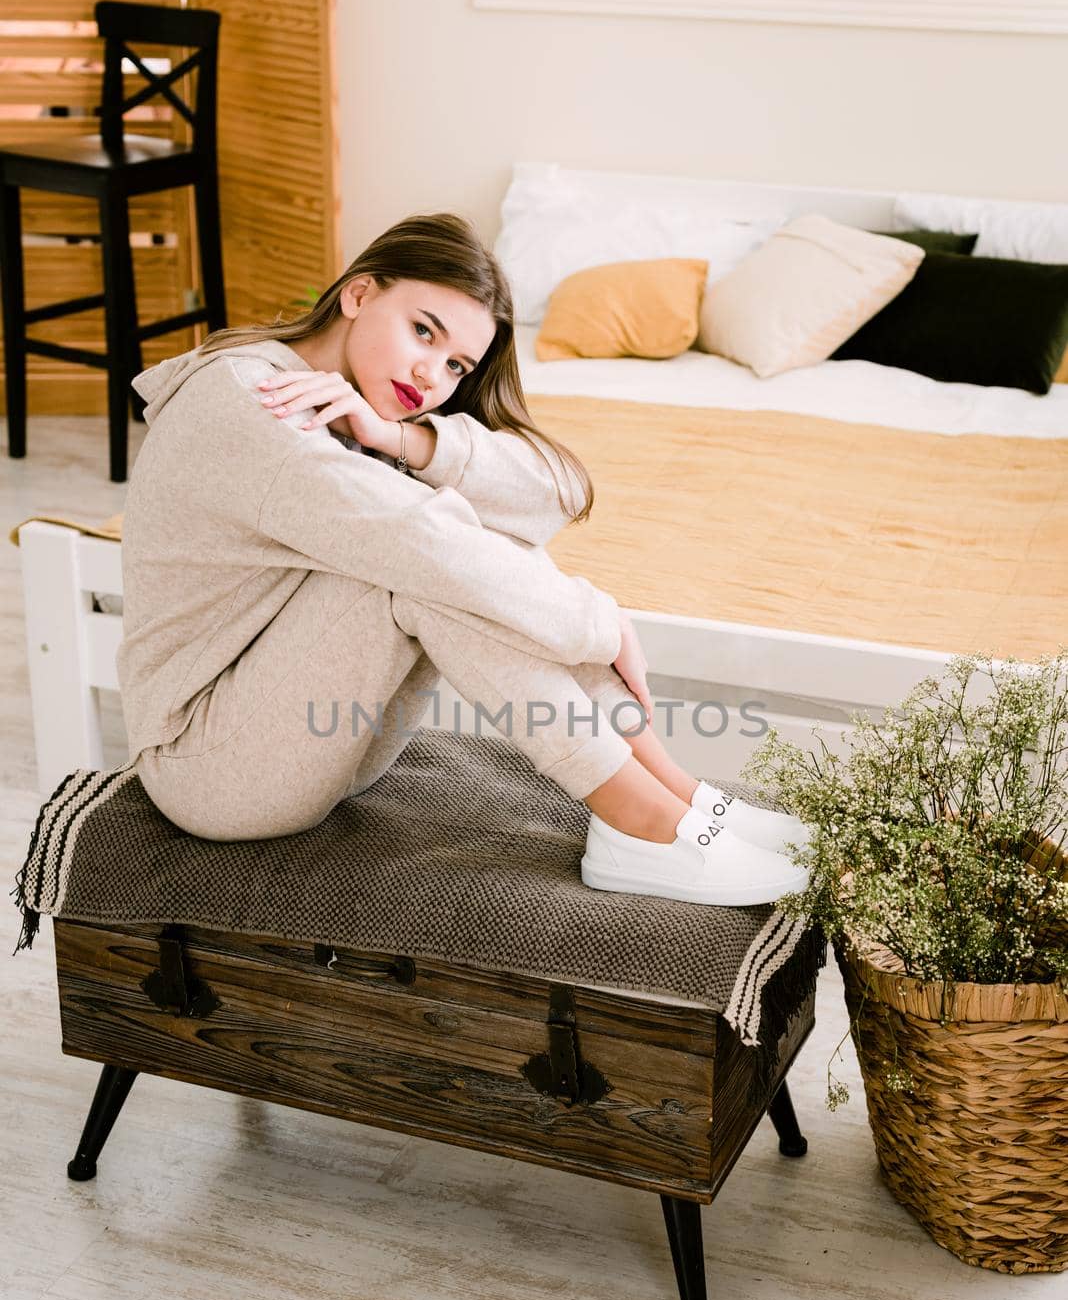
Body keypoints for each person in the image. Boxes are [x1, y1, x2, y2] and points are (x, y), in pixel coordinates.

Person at [117, 211, 810, 906]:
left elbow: (554, 498)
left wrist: (404, 442)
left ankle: (675, 793)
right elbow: (426, 547)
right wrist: (599, 620)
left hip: (317, 747)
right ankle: (641, 821)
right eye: (423, 330)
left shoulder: (357, 408)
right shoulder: (256, 402)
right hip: (209, 769)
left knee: (462, 536)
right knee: (423, 562)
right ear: (358, 295)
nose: (432, 373)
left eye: (456, 365)